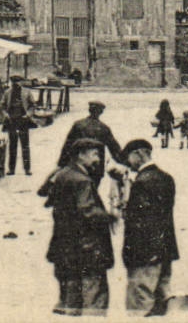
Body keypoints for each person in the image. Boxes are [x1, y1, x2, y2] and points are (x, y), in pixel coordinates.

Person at [40, 138, 115, 316]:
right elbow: (87, 211)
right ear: (81, 155)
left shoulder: (64, 174)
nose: (98, 159)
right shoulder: (82, 181)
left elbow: (48, 200)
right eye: (94, 154)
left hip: (66, 245)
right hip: (87, 246)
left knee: (71, 299)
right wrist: (110, 217)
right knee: (94, 297)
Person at [121, 139, 178, 316]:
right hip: (165, 249)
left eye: (129, 157)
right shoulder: (166, 177)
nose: (129, 163)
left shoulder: (141, 182)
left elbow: (139, 221)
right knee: (162, 300)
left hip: (144, 252)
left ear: (139, 153)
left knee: (140, 303)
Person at [61, 100, 128, 166]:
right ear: (101, 112)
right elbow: (114, 149)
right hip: (96, 165)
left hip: (79, 163)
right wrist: (126, 163)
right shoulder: (104, 128)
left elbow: (67, 145)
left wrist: (62, 163)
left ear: (89, 110)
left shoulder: (78, 125)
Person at [4, 76, 34, 176]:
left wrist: (28, 115)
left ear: (21, 82)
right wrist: (6, 115)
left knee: (25, 145)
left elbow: (32, 105)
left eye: (18, 81)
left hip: (23, 121)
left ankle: (27, 169)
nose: (16, 83)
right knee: (12, 146)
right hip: (12, 121)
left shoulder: (27, 92)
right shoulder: (7, 93)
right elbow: (2, 106)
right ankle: (11, 169)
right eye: (13, 82)